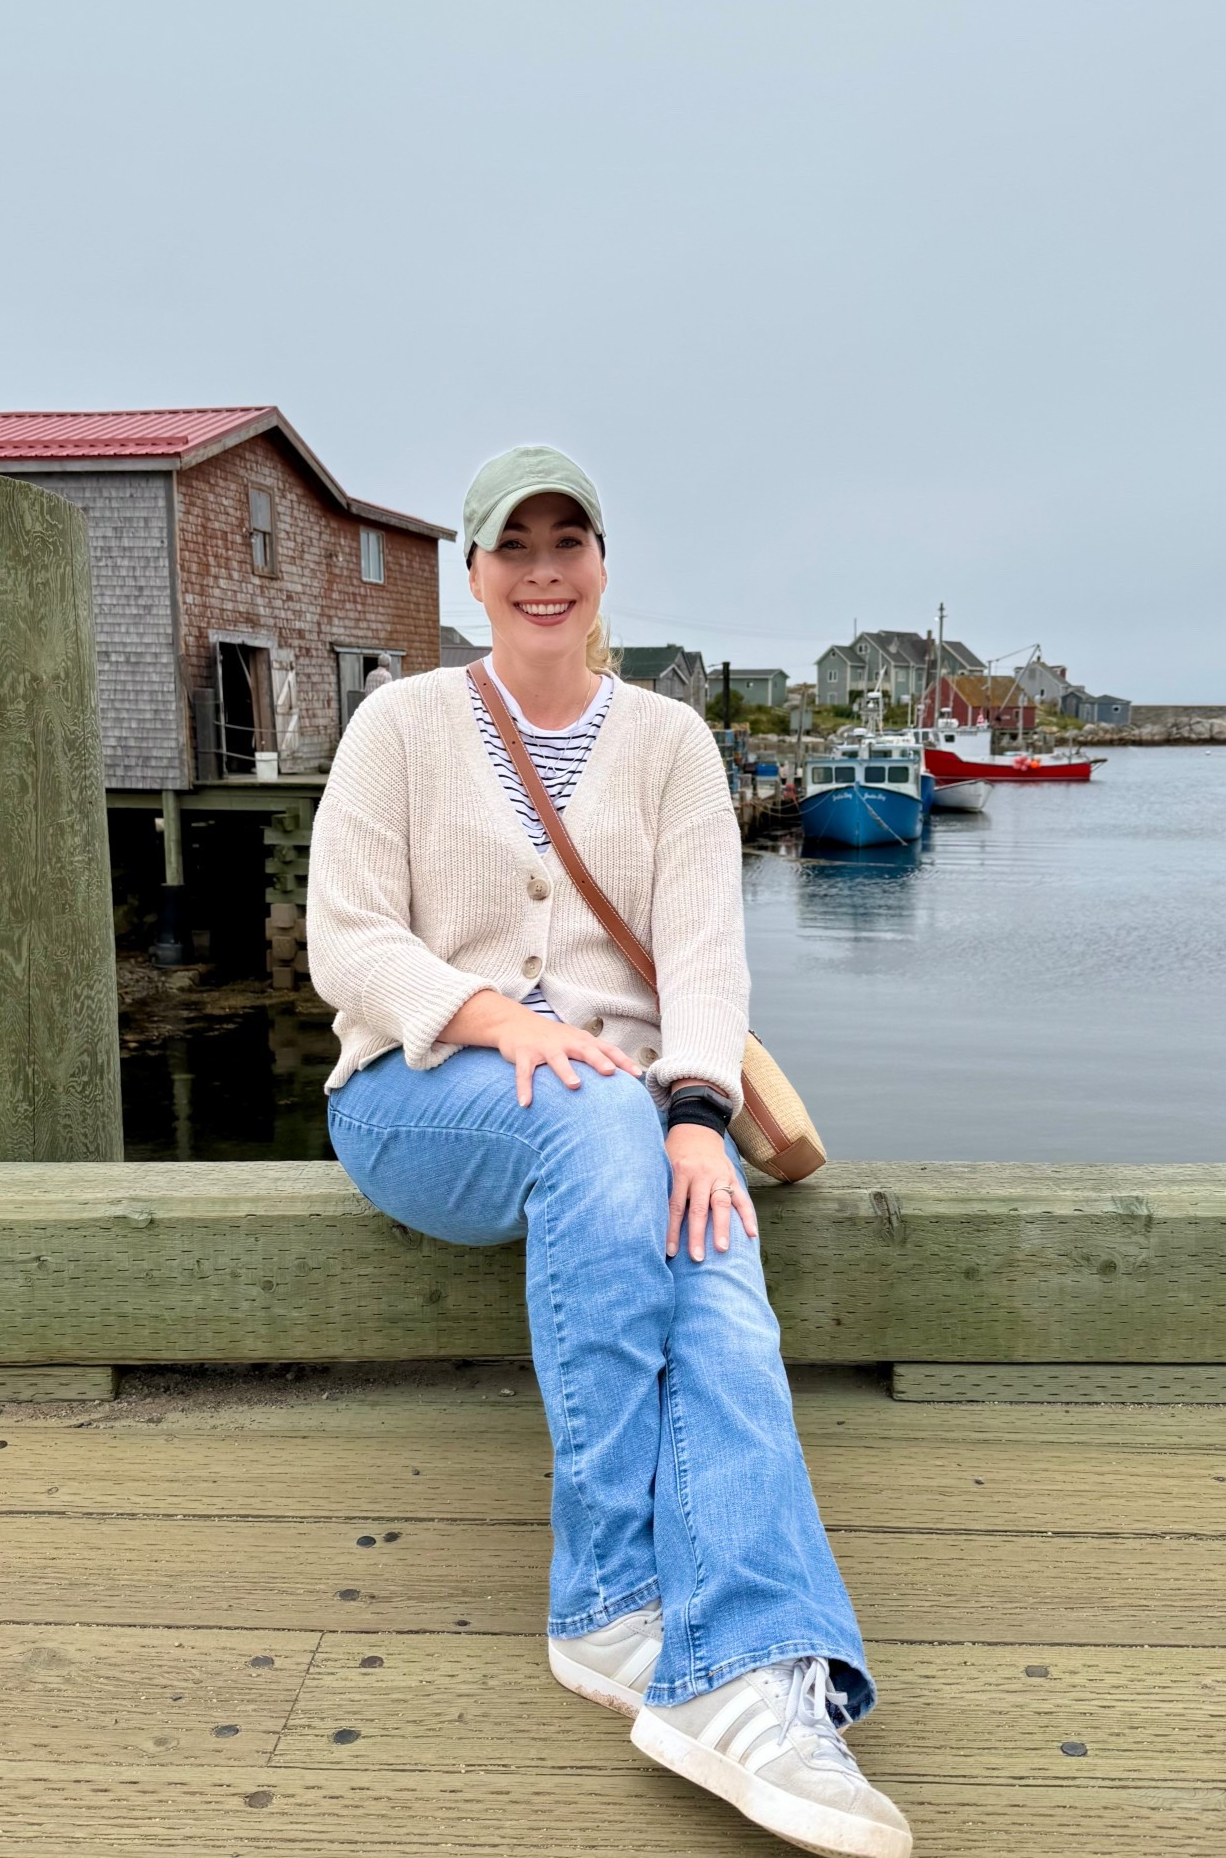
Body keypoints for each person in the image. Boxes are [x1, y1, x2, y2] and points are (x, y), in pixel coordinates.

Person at [307, 445, 910, 1858]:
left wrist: (698, 1119)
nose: (541, 570)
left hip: (632, 1121)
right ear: (470, 576)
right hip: (418, 1093)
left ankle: (768, 1680)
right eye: (511, 546)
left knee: (714, 1267)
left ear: (600, 568)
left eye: (566, 541)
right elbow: (346, 939)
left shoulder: (669, 744)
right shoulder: (400, 728)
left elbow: (704, 963)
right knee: (590, 1114)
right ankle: (606, 1592)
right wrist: (492, 1021)